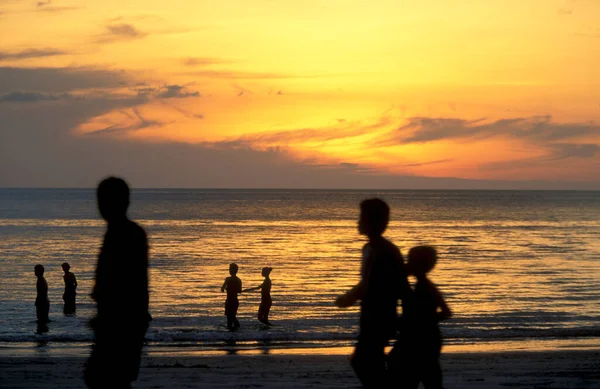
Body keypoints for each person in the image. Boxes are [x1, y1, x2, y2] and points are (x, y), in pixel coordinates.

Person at [335, 198, 412, 388]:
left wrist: (348, 297)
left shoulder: (385, 250)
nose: (358, 222)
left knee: (363, 360)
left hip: (381, 314)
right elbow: (367, 282)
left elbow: (395, 284)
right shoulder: (370, 248)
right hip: (370, 313)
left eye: (362, 218)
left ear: (376, 222)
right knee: (370, 360)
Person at [84, 177, 150, 389]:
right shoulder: (121, 232)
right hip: (120, 321)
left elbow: (129, 284)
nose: (101, 206)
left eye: (104, 200)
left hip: (121, 323)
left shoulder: (125, 234)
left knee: (106, 378)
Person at [389, 246, 452, 389]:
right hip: (423, 338)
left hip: (422, 339)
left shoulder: (425, 287)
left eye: (410, 261)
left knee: (421, 377)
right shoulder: (421, 286)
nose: (408, 263)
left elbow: (446, 312)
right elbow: (445, 312)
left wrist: (422, 320)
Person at [221, 263, 242, 330]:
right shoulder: (235, 280)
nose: (230, 271)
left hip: (233, 301)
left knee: (231, 316)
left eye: (231, 269)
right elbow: (222, 288)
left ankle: (236, 328)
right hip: (229, 300)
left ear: (235, 271)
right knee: (229, 316)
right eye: (229, 269)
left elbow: (239, 290)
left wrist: (228, 288)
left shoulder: (233, 280)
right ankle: (231, 329)